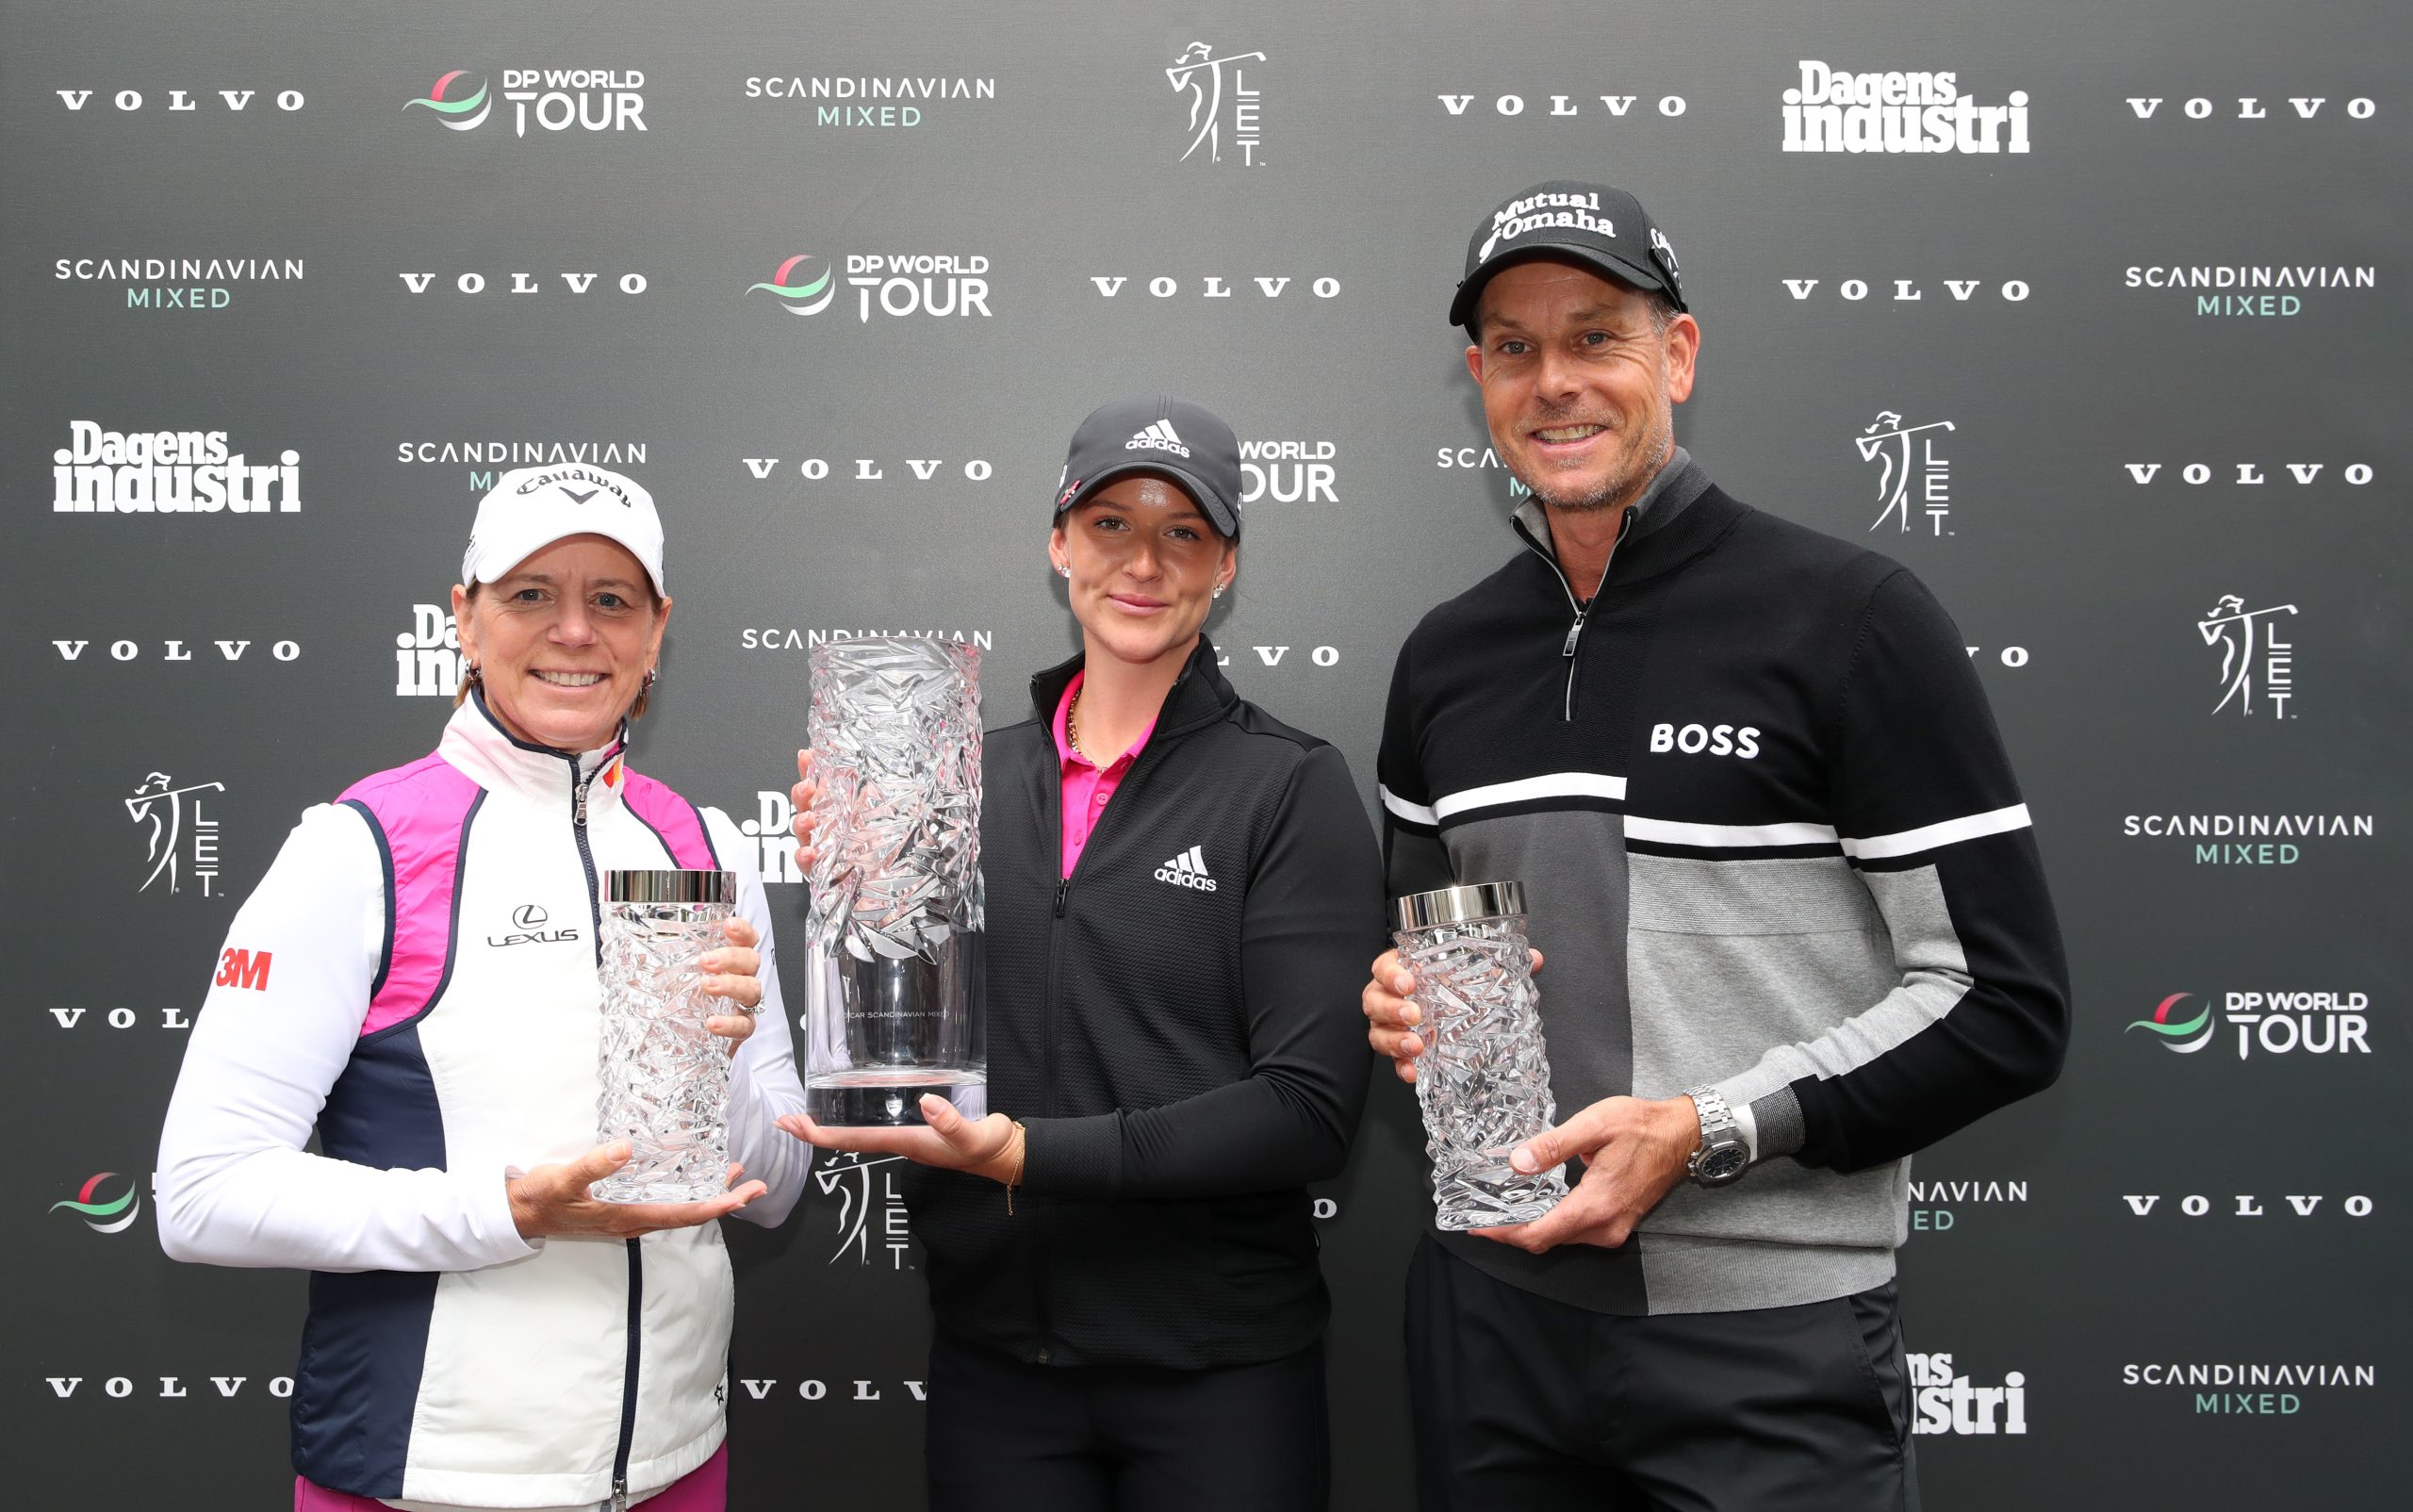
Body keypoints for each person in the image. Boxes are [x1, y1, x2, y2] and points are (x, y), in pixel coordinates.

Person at [1361, 182, 2071, 1508]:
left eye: (1597, 337)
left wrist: (1707, 1129)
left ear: (1676, 354)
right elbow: (1415, 949)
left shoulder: (1850, 617)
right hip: (1492, 1324)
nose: (1554, 381)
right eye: (1515, 347)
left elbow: (2004, 1004)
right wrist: (1396, 1002)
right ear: (1478, 380)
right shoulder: (1447, 657)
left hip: (1768, 1347)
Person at [156, 466, 810, 1512]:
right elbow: (201, 1196)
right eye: (529, 594)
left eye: (610, 599)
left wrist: (717, 1055)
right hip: (427, 1481)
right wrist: (506, 1210)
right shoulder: (359, 847)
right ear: (464, 617)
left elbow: (774, 1190)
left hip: (675, 1469)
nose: (574, 630)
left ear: (656, 631)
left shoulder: (708, 847)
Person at [780, 396, 1385, 1512]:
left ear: (1226, 563)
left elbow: (1306, 1108)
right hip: (995, 1365)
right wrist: (859, 884)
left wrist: (1027, 1154)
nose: (1142, 562)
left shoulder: (1289, 784)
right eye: (1110, 524)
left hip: (1219, 1370)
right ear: (1059, 543)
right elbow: (895, 1035)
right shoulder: (952, 783)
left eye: (1181, 532)